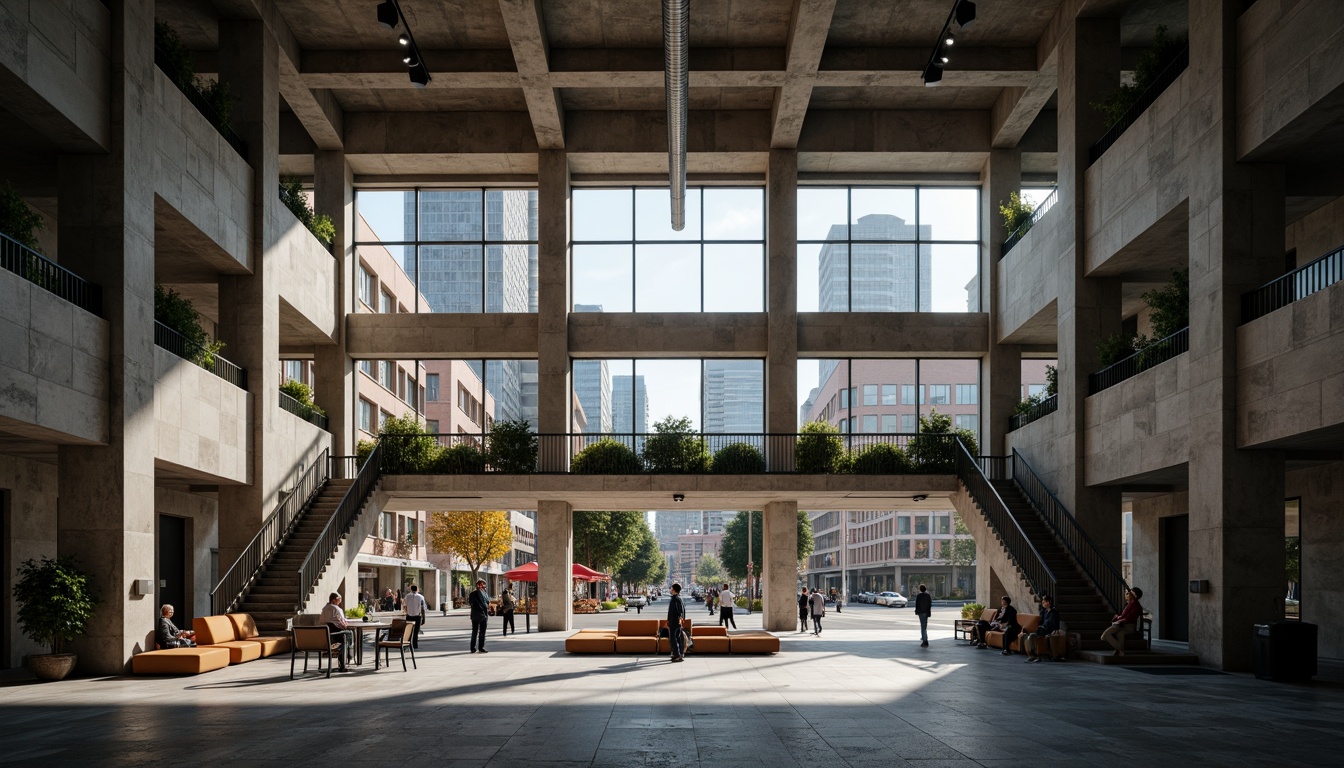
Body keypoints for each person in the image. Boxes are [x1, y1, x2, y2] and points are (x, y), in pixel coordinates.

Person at [1101, 587, 1144, 657]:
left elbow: (1129, 617)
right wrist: (1118, 618)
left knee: (1114, 635)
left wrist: (1118, 619)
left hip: (1128, 626)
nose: (1128, 594)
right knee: (1108, 635)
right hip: (1122, 625)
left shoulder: (1136, 605)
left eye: (1131, 592)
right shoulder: (1129, 603)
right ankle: (1120, 650)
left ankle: (1119, 650)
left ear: (1135, 595)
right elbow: (1124, 615)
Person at [319, 592, 353, 672]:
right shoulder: (337, 609)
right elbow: (343, 622)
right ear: (334, 600)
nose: (339, 602)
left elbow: (321, 621)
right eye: (338, 600)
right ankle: (345, 660)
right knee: (348, 635)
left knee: (345, 635)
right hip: (336, 635)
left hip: (326, 636)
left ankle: (347, 656)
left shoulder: (324, 609)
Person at [1023, 595, 1062, 663]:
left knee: (1037, 630)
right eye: (1042, 602)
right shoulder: (1044, 611)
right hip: (1042, 630)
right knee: (1031, 636)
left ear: (1048, 602)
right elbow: (1040, 622)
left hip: (1049, 631)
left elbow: (1056, 623)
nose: (1042, 603)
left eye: (1044, 602)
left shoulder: (1054, 612)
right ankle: (1033, 655)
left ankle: (1039, 656)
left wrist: (1056, 630)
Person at [666, 583, 687, 662]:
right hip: (678, 622)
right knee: (678, 638)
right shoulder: (679, 598)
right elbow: (683, 610)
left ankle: (677, 654)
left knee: (672, 638)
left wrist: (669, 620)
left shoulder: (674, 599)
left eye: (671, 588)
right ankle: (679, 653)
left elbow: (672, 612)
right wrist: (682, 618)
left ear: (674, 590)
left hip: (674, 621)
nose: (670, 590)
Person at [403, 583, 427, 649]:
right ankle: (415, 645)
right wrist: (424, 618)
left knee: (408, 631)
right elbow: (423, 608)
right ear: (417, 589)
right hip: (417, 616)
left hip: (409, 616)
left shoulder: (407, 596)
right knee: (416, 632)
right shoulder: (421, 597)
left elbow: (405, 605)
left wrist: (406, 612)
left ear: (411, 589)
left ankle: (407, 644)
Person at [468, 579, 490, 653]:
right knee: (480, 632)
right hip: (482, 615)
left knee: (476, 632)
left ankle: (474, 648)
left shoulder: (481, 593)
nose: (482, 586)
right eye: (481, 584)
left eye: (483, 584)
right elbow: (486, 604)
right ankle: (479, 647)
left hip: (476, 615)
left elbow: (470, 603)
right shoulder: (480, 594)